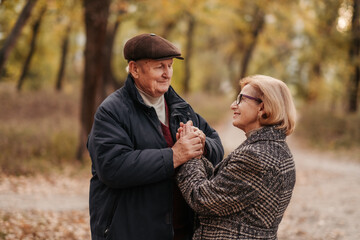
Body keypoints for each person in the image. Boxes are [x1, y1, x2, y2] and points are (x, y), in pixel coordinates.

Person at [87, 33, 224, 240]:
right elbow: (112, 167)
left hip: (180, 231)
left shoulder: (181, 107)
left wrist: (202, 145)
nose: (167, 74)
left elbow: (217, 147)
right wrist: (174, 155)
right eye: (159, 67)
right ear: (134, 69)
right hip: (131, 232)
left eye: (169, 66)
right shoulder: (112, 111)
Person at [176, 75, 297, 240]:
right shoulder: (273, 148)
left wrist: (187, 153)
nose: (233, 105)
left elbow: (202, 199)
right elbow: (223, 185)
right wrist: (199, 148)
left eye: (241, 99)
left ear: (262, 107)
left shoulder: (256, 156)